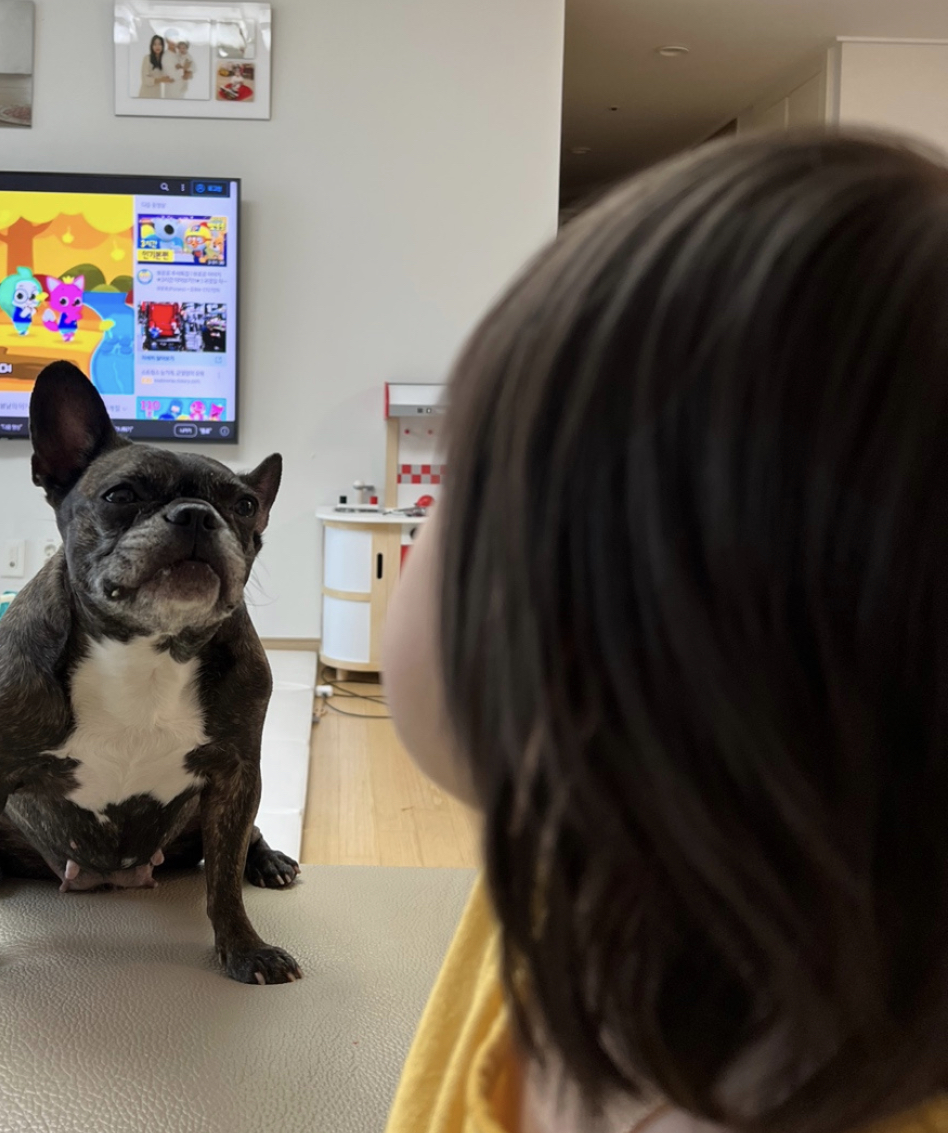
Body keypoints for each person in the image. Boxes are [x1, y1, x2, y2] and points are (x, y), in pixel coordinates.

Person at [382, 131, 948, 1133]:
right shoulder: (577, 868)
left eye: (457, 481)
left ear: (590, 665)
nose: (416, 523)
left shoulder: (578, 844)